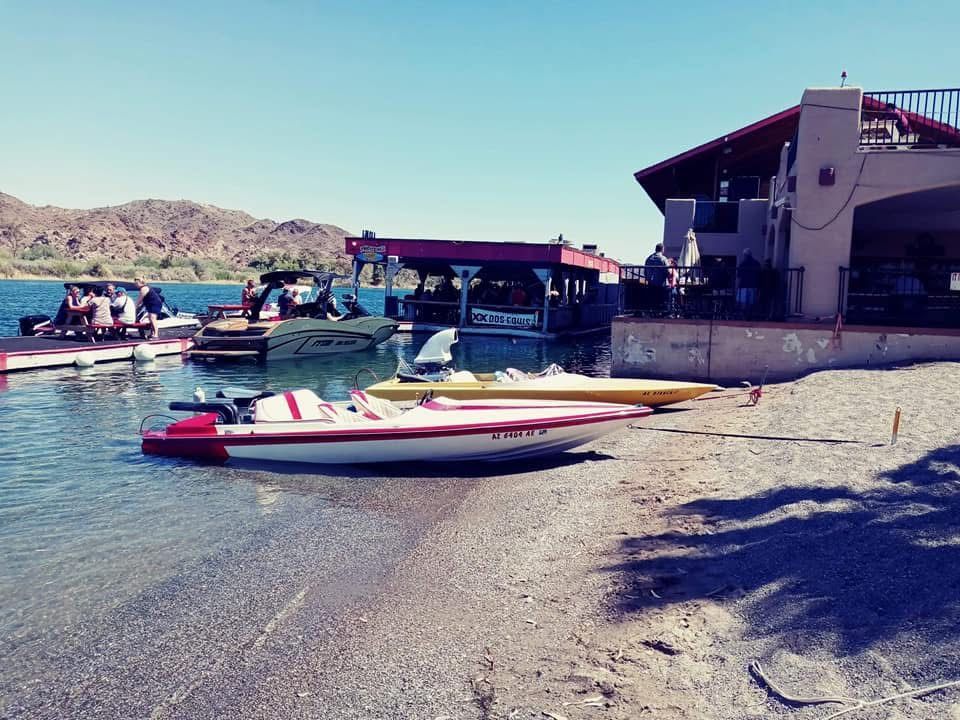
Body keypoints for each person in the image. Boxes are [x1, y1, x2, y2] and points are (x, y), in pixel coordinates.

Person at [644, 243, 669, 309]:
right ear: (662, 250)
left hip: (650, 285)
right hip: (660, 285)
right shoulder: (663, 259)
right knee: (662, 301)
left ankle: (652, 313)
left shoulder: (648, 258)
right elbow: (668, 271)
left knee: (652, 302)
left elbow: (645, 272)